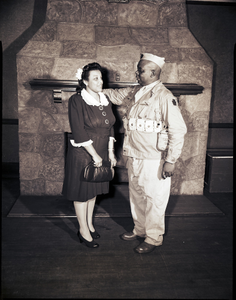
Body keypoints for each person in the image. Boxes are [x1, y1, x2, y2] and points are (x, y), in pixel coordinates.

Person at [104, 53, 187, 254]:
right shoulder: (135, 91)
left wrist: (171, 160)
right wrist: (92, 87)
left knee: (154, 198)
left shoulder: (165, 97)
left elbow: (178, 130)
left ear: (153, 72)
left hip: (154, 158)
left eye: (140, 70)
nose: (137, 73)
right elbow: (113, 95)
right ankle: (140, 229)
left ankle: (153, 237)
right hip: (134, 154)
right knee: (137, 195)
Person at [62, 62, 117, 248]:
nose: (100, 81)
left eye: (101, 77)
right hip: (83, 153)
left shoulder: (105, 99)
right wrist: (94, 155)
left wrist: (110, 153)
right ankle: (83, 231)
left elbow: (110, 127)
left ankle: (90, 225)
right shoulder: (76, 101)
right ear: (85, 81)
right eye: (95, 78)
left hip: (101, 152)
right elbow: (79, 132)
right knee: (82, 194)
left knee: (92, 192)